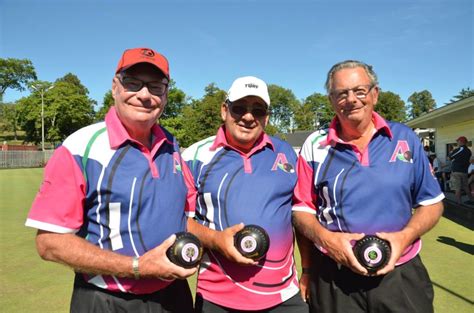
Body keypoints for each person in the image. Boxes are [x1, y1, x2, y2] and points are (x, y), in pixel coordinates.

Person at [25, 47, 198, 312]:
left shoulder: (172, 146)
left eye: (155, 86)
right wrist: (137, 267)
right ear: (115, 87)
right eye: (133, 83)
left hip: (173, 294)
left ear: (165, 95)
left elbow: (185, 218)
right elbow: (49, 243)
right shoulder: (81, 147)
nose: (144, 95)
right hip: (107, 299)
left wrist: (220, 240)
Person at [292, 60, 445, 313]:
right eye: (341, 93)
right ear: (331, 100)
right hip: (334, 277)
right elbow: (301, 211)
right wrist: (328, 240)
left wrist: (403, 238)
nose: (351, 99)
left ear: (375, 94)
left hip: (400, 273)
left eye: (359, 91)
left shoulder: (405, 139)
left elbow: (431, 203)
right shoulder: (314, 145)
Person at [182, 76, 308, 313]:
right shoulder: (195, 156)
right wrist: (215, 240)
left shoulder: (287, 154)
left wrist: (308, 270)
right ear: (224, 110)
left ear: (267, 117)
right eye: (239, 108)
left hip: (284, 297)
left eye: (257, 110)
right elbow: (180, 221)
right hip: (217, 297)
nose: (248, 117)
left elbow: (301, 215)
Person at [448, 136, 474, 204]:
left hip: (456, 172)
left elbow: (449, 157)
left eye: (458, 141)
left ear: (461, 142)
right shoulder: (469, 151)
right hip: (464, 172)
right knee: (466, 187)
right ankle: (471, 200)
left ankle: (459, 203)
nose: (457, 142)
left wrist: (452, 152)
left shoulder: (459, 149)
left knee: (457, 188)